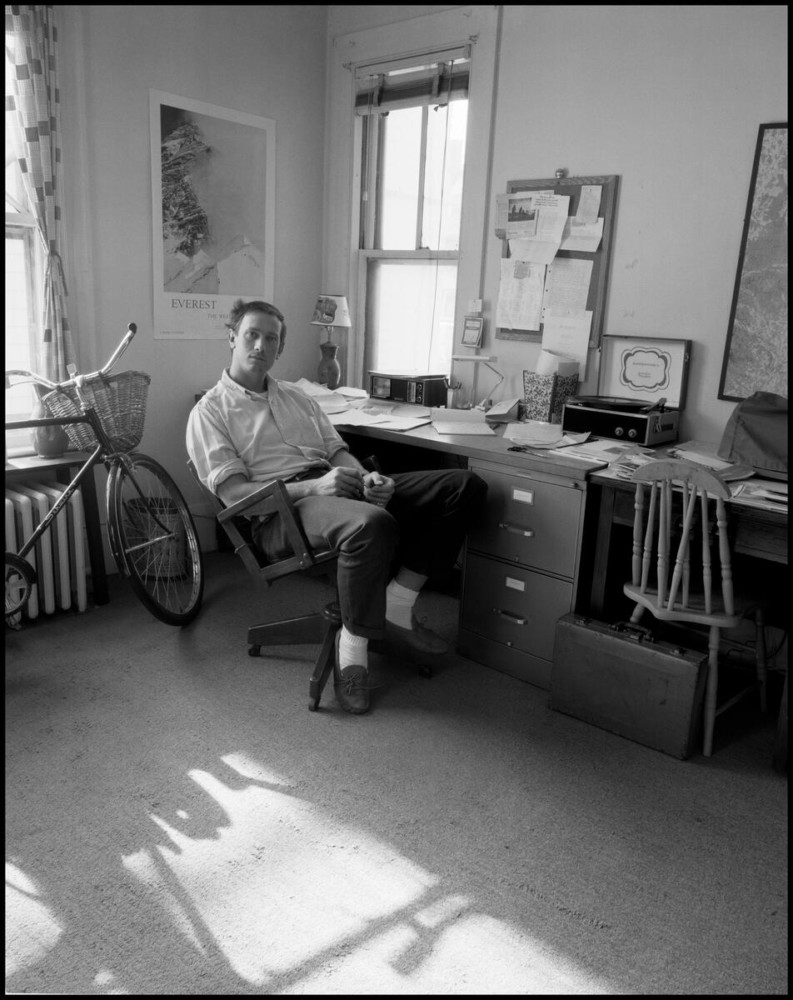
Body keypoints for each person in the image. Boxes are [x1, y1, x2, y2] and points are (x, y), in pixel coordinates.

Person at [187, 299, 487, 715]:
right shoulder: (210, 412)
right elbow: (236, 496)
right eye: (251, 335)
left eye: (271, 339)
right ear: (232, 338)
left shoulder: (298, 397)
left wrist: (367, 478)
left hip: (335, 486)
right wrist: (315, 486)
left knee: (463, 486)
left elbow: (335, 451)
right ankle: (353, 654)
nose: (260, 345)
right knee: (371, 524)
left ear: (280, 348)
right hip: (278, 513)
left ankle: (398, 605)